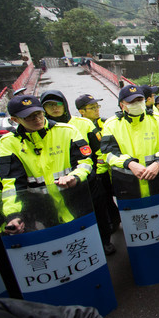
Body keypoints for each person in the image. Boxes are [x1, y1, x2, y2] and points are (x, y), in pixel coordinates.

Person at [0, 95, 93, 234]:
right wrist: (13, 215)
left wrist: (75, 176)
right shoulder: (8, 143)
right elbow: (11, 184)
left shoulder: (67, 131)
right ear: (15, 120)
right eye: (29, 117)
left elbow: (85, 162)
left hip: (75, 200)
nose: (37, 119)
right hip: (41, 209)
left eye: (38, 114)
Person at [40, 90, 115, 254]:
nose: (55, 108)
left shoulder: (83, 124)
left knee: (99, 211)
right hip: (57, 185)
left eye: (58, 104)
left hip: (89, 178)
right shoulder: (39, 131)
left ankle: (105, 241)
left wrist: (100, 173)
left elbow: (98, 151)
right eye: (49, 105)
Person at [100, 85, 159, 199]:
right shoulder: (111, 125)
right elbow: (108, 152)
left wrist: (158, 162)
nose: (137, 104)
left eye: (140, 100)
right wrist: (129, 163)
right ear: (122, 105)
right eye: (132, 101)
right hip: (128, 187)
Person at [75, 93, 121, 237]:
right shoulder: (76, 127)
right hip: (91, 171)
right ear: (82, 111)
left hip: (108, 170)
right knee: (99, 201)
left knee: (109, 197)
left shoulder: (106, 123)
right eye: (92, 107)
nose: (96, 110)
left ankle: (115, 221)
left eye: (97, 106)